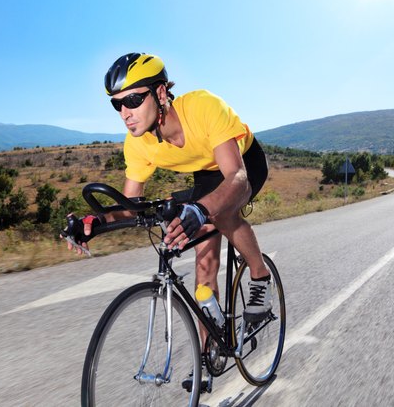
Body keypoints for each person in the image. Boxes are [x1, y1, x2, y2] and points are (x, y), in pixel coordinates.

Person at [65, 52, 272, 390]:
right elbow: (130, 207)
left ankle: (260, 276)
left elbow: (236, 178)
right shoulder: (138, 143)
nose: (126, 113)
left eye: (133, 99)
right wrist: (95, 223)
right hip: (205, 174)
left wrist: (201, 210)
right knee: (204, 265)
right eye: (117, 105)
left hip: (242, 162)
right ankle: (209, 356)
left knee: (219, 214)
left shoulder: (204, 107)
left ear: (161, 93)